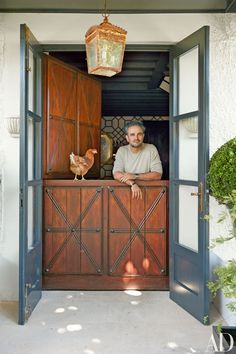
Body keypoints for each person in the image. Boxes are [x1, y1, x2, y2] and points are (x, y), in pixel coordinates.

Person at [113, 121, 163, 199]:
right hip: (124, 194)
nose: (136, 138)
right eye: (132, 135)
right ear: (127, 138)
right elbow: (116, 174)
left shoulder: (151, 149)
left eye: (139, 134)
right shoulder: (122, 150)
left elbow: (157, 175)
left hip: (149, 194)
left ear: (143, 136)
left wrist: (134, 176)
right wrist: (132, 183)